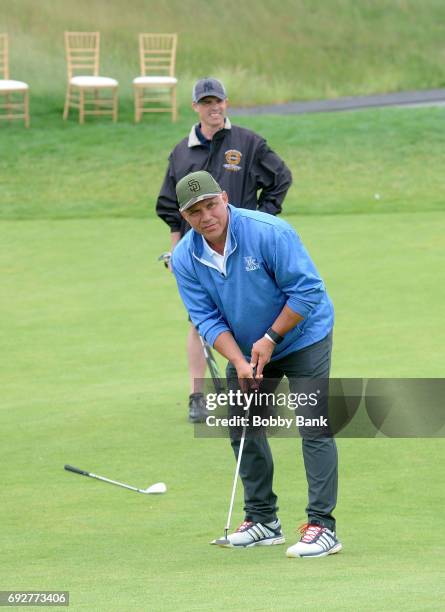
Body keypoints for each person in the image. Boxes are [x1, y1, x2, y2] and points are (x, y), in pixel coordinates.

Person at [171, 170, 341, 558]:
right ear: (185, 216)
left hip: (303, 336)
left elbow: (308, 290)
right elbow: (207, 318)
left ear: (225, 199)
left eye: (211, 205)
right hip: (246, 347)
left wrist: (271, 338)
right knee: (243, 425)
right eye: (195, 211)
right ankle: (263, 520)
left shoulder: (269, 232)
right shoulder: (185, 258)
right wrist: (238, 360)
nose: (206, 216)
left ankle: (323, 527)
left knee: (313, 426)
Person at [156, 77, 292, 423]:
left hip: (244, 249)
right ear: (195, 108)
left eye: (218, 101)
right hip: (199, 254)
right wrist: (175, 251)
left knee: (255, 315)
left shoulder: (247, 142)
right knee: (201, 321)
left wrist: (262, 221)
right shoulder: (181, 151)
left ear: (226, 103)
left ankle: (261, 389)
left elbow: (280, 178)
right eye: (206, 102)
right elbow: (172, 207)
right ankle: (197, 395)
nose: (213, 107)